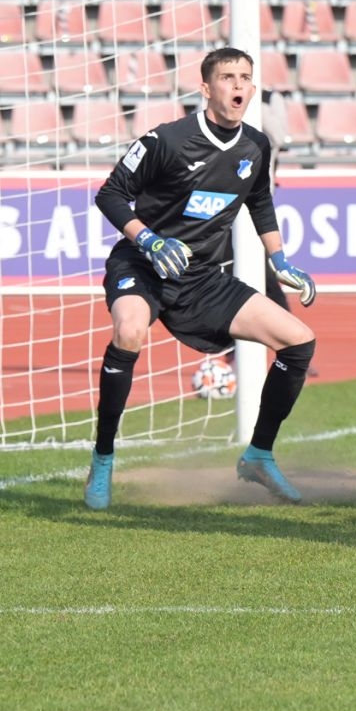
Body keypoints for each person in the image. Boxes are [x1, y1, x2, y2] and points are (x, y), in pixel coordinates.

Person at [84, 48, 318, 509]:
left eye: (245, 77)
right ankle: (103, 458)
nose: (238, 85)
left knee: (299, 341)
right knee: (129, 331)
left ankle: (258, 456)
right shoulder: (166, 140)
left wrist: (280, 259)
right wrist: (149, 240)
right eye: (228, 77)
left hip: (202, 279)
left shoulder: (256, 145)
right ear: (206, 88)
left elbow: (260, 202)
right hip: (143, 265)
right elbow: (110, 194)